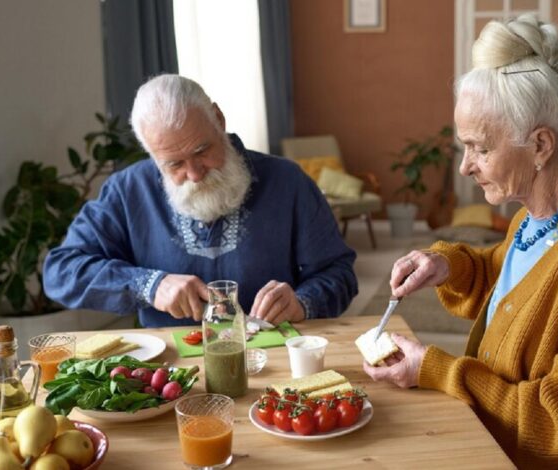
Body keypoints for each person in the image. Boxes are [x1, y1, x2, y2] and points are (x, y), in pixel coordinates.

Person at [363, 16, 558, 469]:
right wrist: (446, 264)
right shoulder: (536, 219)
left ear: (540, 145)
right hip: (490, 439)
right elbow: (508, 276)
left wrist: (435, 369)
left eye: (480, 148)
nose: (466, 167)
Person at [43, 74, 358, 328]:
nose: (194, 174)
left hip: (274, 365)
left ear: (218, 119)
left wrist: (303, 302)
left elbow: (339, 274)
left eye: (201, 151)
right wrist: (149, 285)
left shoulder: (288, 181)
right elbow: (61, 271)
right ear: (151, 153)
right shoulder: (128, 190)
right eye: (173, 164)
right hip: (168, 376)